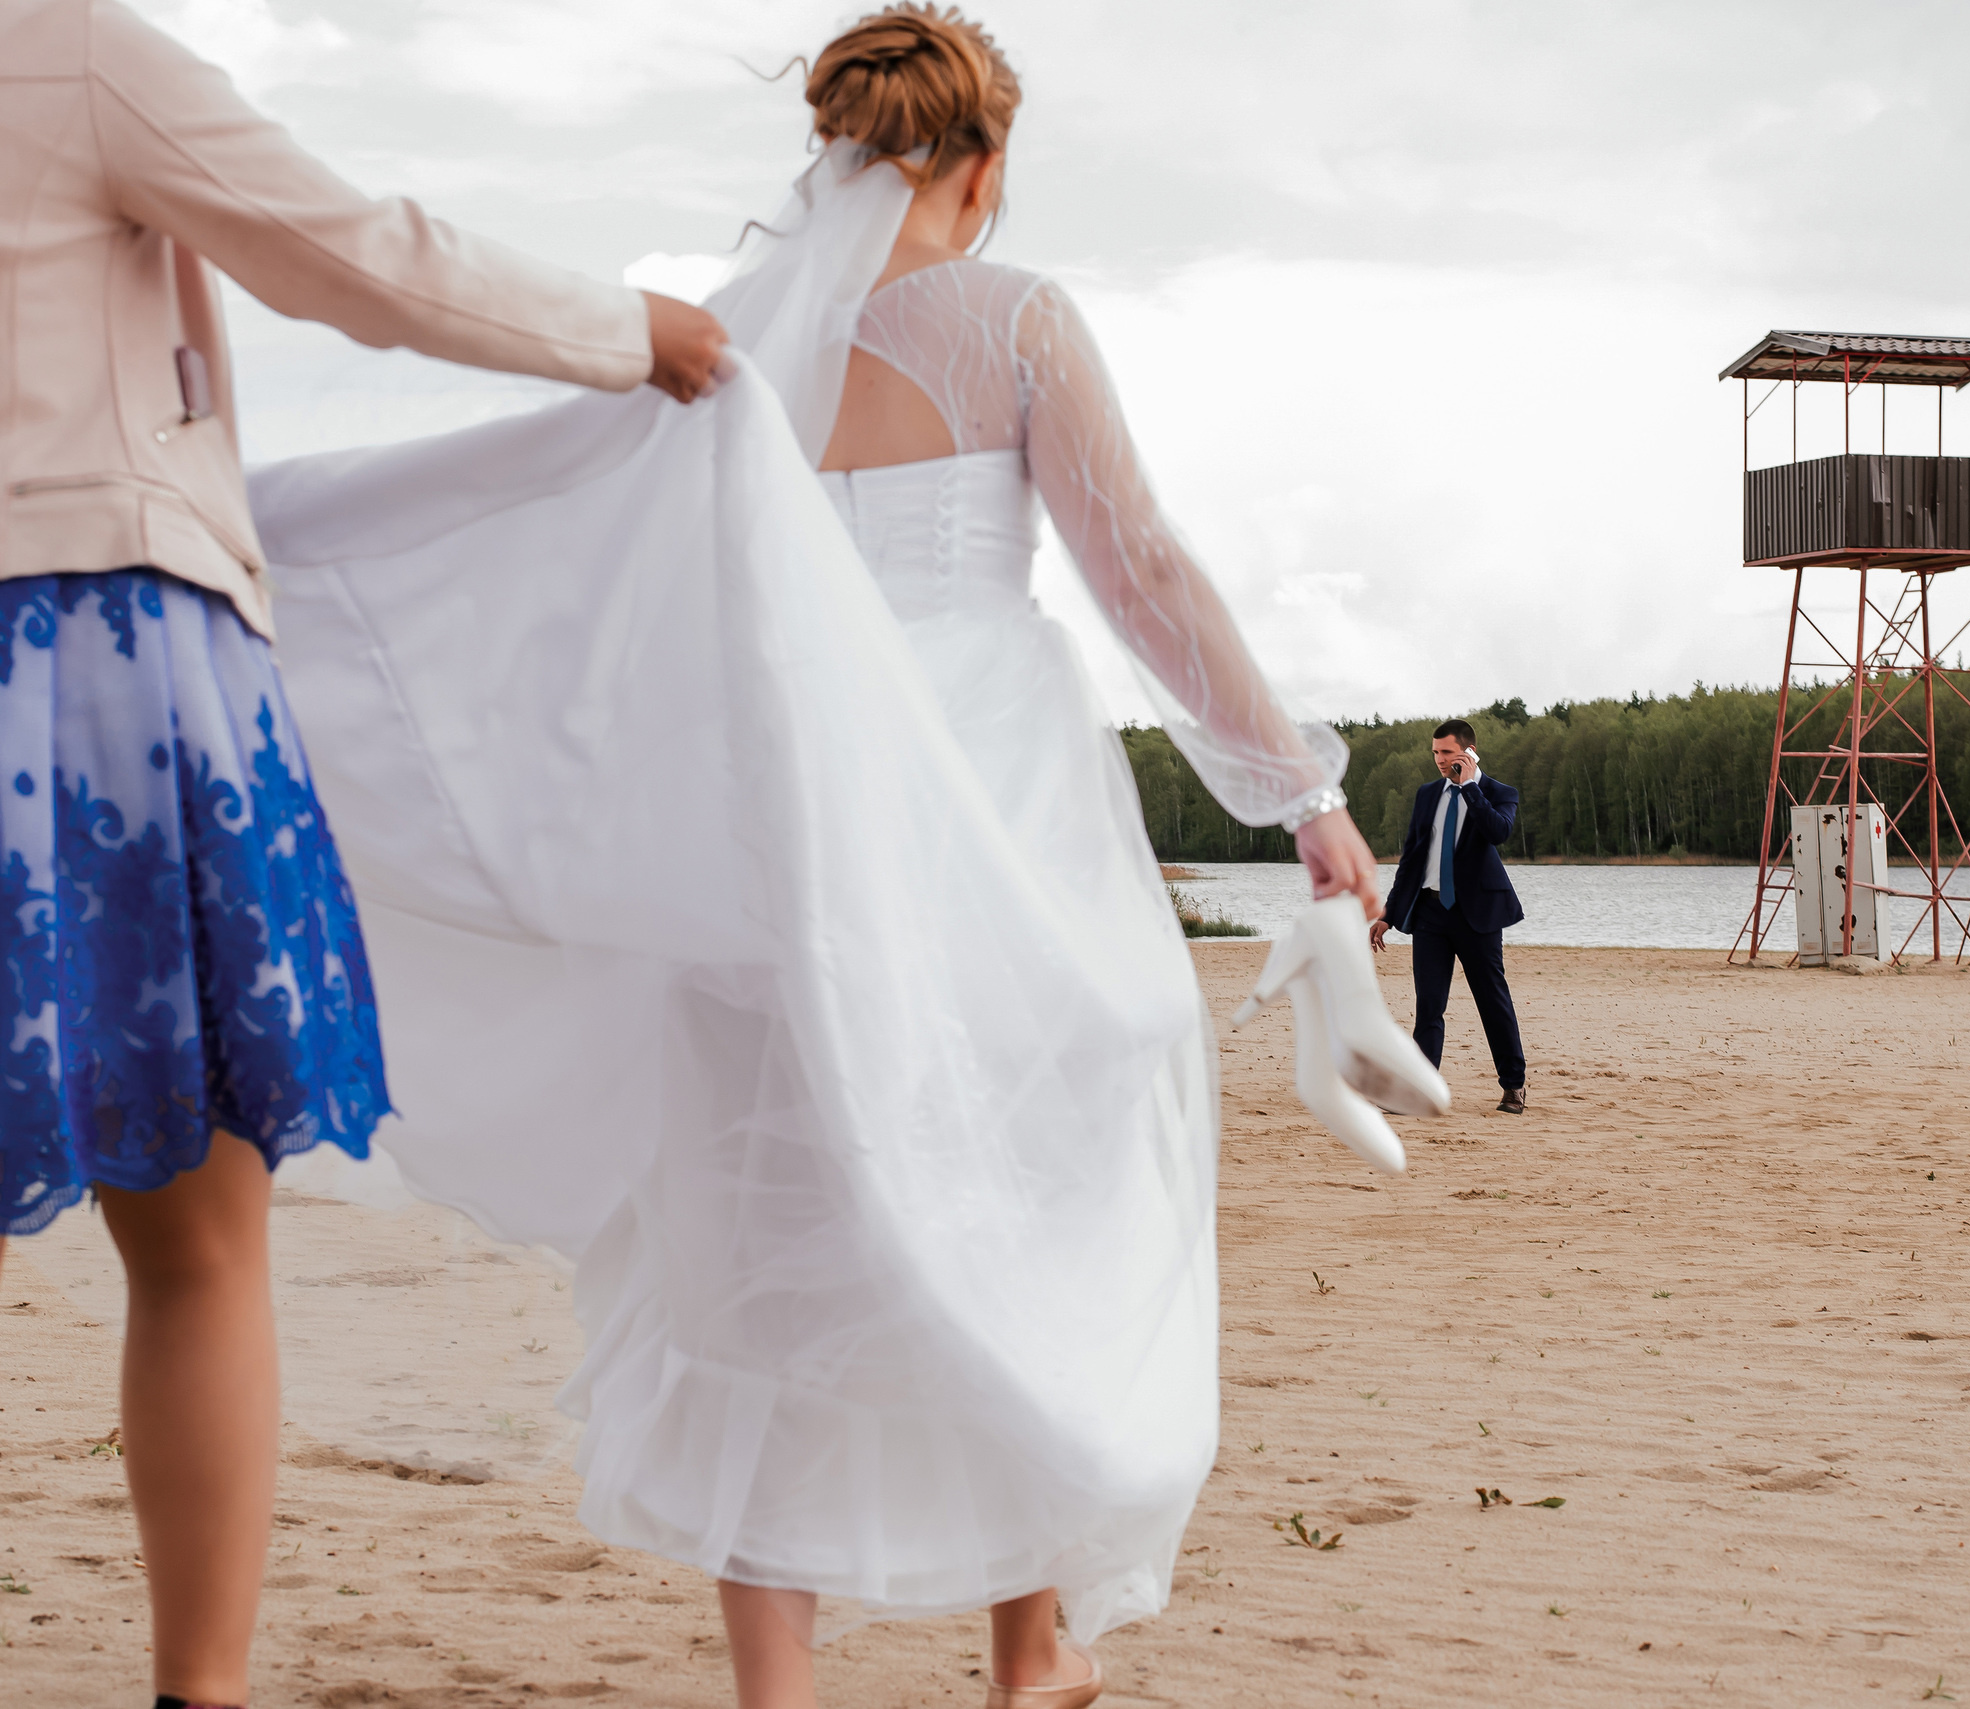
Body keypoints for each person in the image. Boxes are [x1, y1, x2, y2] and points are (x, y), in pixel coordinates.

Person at [234, 9, 1429, 1709]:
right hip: (986, 799)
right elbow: (1141, 573)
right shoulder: (1018, 320)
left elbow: (621, 572)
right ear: (990, 162)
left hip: (783, 806)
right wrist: (1299, 789)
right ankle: (1033, 1646)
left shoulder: (735, 343)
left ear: (844, 150)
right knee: (1037, 1186)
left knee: (757, 1225)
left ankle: (777, 1688)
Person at [0, 4, 727, 1706]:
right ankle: (202, 1685)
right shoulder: (66, 48)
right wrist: (632, 331)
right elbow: (352, 253)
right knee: (194, 1238)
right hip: (98, 667)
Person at [1372, 719, 1531, 1112]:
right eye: (1436, 753)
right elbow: (1411, 859)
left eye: (1447, 753)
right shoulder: (1427, 795)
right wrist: (1388, 914)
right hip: (1430, 913)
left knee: (1492, 1001)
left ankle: (1514, 1085)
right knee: (1428, 1005)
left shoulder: (1499, 793)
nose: (1440, 760)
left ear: (1468, 752)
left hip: (1478, 915)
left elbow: (1498, 832)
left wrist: (1470, 787)